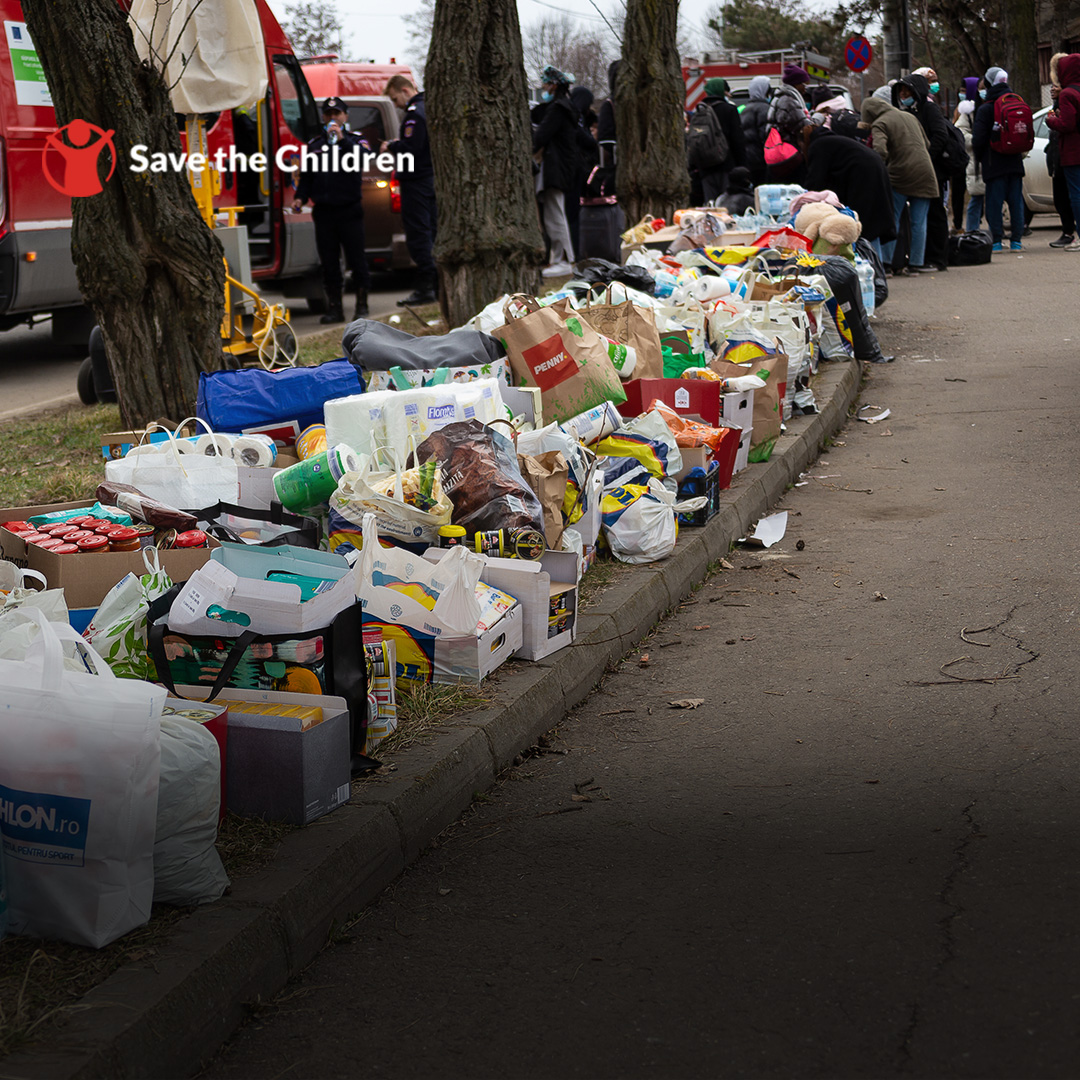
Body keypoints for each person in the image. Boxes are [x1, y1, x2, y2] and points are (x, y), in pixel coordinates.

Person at [291, 97, 371, 323]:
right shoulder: (315, 145)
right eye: (329, 114)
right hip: (324, 213)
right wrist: (300, 197)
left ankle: (362, 306)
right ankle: (335, 308)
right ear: (323, 117)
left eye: (337, 114)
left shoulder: (355, 141)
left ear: (345, 117)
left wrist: (343, 140)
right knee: (329, 263)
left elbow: (363, 159)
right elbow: (306, 177)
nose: (333, 118)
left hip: (349, 210)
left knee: (357, 260)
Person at [861, 95, 940, 274]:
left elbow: (880, 150)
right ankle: (916, 264)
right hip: (926, 173)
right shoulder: (909, 116)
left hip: (900, 175)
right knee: (919, 222)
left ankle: (887, 264)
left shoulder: (880, 123)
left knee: (892, 219)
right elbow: (926, 143)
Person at [381, 75, 438, 305]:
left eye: (395, 99)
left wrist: (392, 145)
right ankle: (434, 285)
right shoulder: (427, 108)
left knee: (418, 234)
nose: (396, 104)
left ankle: (426, 287)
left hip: (416, 182)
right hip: (427, 179)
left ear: (405, 90)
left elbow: (412, 148)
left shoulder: (415, 113)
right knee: (429, 231)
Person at [804, 123, 897, 254]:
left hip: (864, 178)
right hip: (874, 172)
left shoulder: (818, 145)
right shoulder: (835, 141)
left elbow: (815, 181)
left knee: (865, 226)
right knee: (872, 225)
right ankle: (879, 266)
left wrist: (805, 198)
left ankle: (872, 267)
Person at [893, 73, 950, 271]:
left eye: (908, 91)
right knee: (921, 218)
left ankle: (937, 258)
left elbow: (940, 135)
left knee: (934, 216)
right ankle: (920, 258)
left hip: (932, 170)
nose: (903, 95)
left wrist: (924, 156)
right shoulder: (905, 111)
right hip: (915, 170)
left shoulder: (929, 109)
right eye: (901, 91)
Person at [532, 65, 581, 277]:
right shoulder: (567, 108)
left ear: (553, 85)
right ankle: (558, 258)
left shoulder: (557, 109)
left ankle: (566, 260)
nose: (543, 86)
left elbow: (541, 136)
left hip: (555, 168)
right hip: (564, 166)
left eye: (545, 83)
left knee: (555, 215)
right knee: (555, 212)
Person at [972, 66, 1027, 252]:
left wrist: (979, 157)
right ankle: (1017, 241)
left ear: (988, 83)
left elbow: (978, 138)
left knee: (995, 204)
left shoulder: (986, 108)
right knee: (1016, 202)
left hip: (993, 161)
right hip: (1015, 161)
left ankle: (996, 241)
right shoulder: (1016, 101)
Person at [696, 77, 747, 203]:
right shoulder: (729, 110)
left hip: (705, 167)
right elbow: (738, 140)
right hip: (726, 165)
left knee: (711, 206)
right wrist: (743, 166)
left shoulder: (700, 111)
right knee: (726, 204)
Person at [1045, 53, 1077, 248]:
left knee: (1072, 194)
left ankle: (1071, 232)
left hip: (1070, 152)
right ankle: (1068, 230)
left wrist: (1052, 119)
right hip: (1061, 151)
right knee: (1064, 194)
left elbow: (1066, 123)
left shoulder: (1068, 94)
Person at [767, 65, 814, 183]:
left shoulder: (780, 98)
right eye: (803, 84)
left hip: (782, 155)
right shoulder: (789, 101)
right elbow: (804, 126)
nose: (805, 89)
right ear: (796, 84)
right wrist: (819, 117)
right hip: (790, 157)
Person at [567, 85, 599, 256]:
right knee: (573, 213)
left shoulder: (575, 117)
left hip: (573, 170)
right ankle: (575, 251)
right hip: (576, 170)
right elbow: (589, 142)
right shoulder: (577, 120)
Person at [955, 98, 985, 232]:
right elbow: (960, 133)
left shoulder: (996, 106)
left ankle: (997, 235)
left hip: (993, 161)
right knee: (976, 198)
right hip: (976, 163)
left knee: (995, 201)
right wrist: (978, 140)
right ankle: (972, 232)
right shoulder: (969, 112)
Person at [740, 75, 772, 186]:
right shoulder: (764, 108)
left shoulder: (746, 108)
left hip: (748, 158)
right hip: (760, 158)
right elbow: (765, 135)